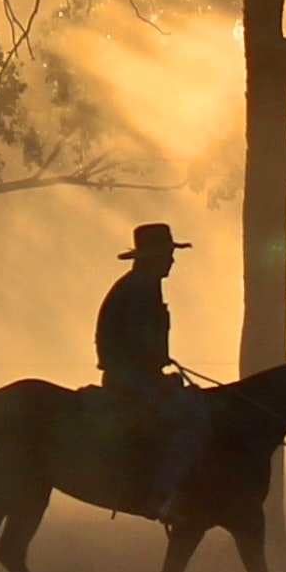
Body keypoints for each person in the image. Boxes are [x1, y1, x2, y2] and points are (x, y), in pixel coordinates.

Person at [95, 222, 211, 522]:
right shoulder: (140, 289)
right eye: (167, 254)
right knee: (193, 418)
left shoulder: (140, 285)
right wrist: (159, 378)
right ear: (153, 257)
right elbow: (137, 345)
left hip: (134, 373)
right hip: (130, 377)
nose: (172, 260)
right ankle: (161, 498)